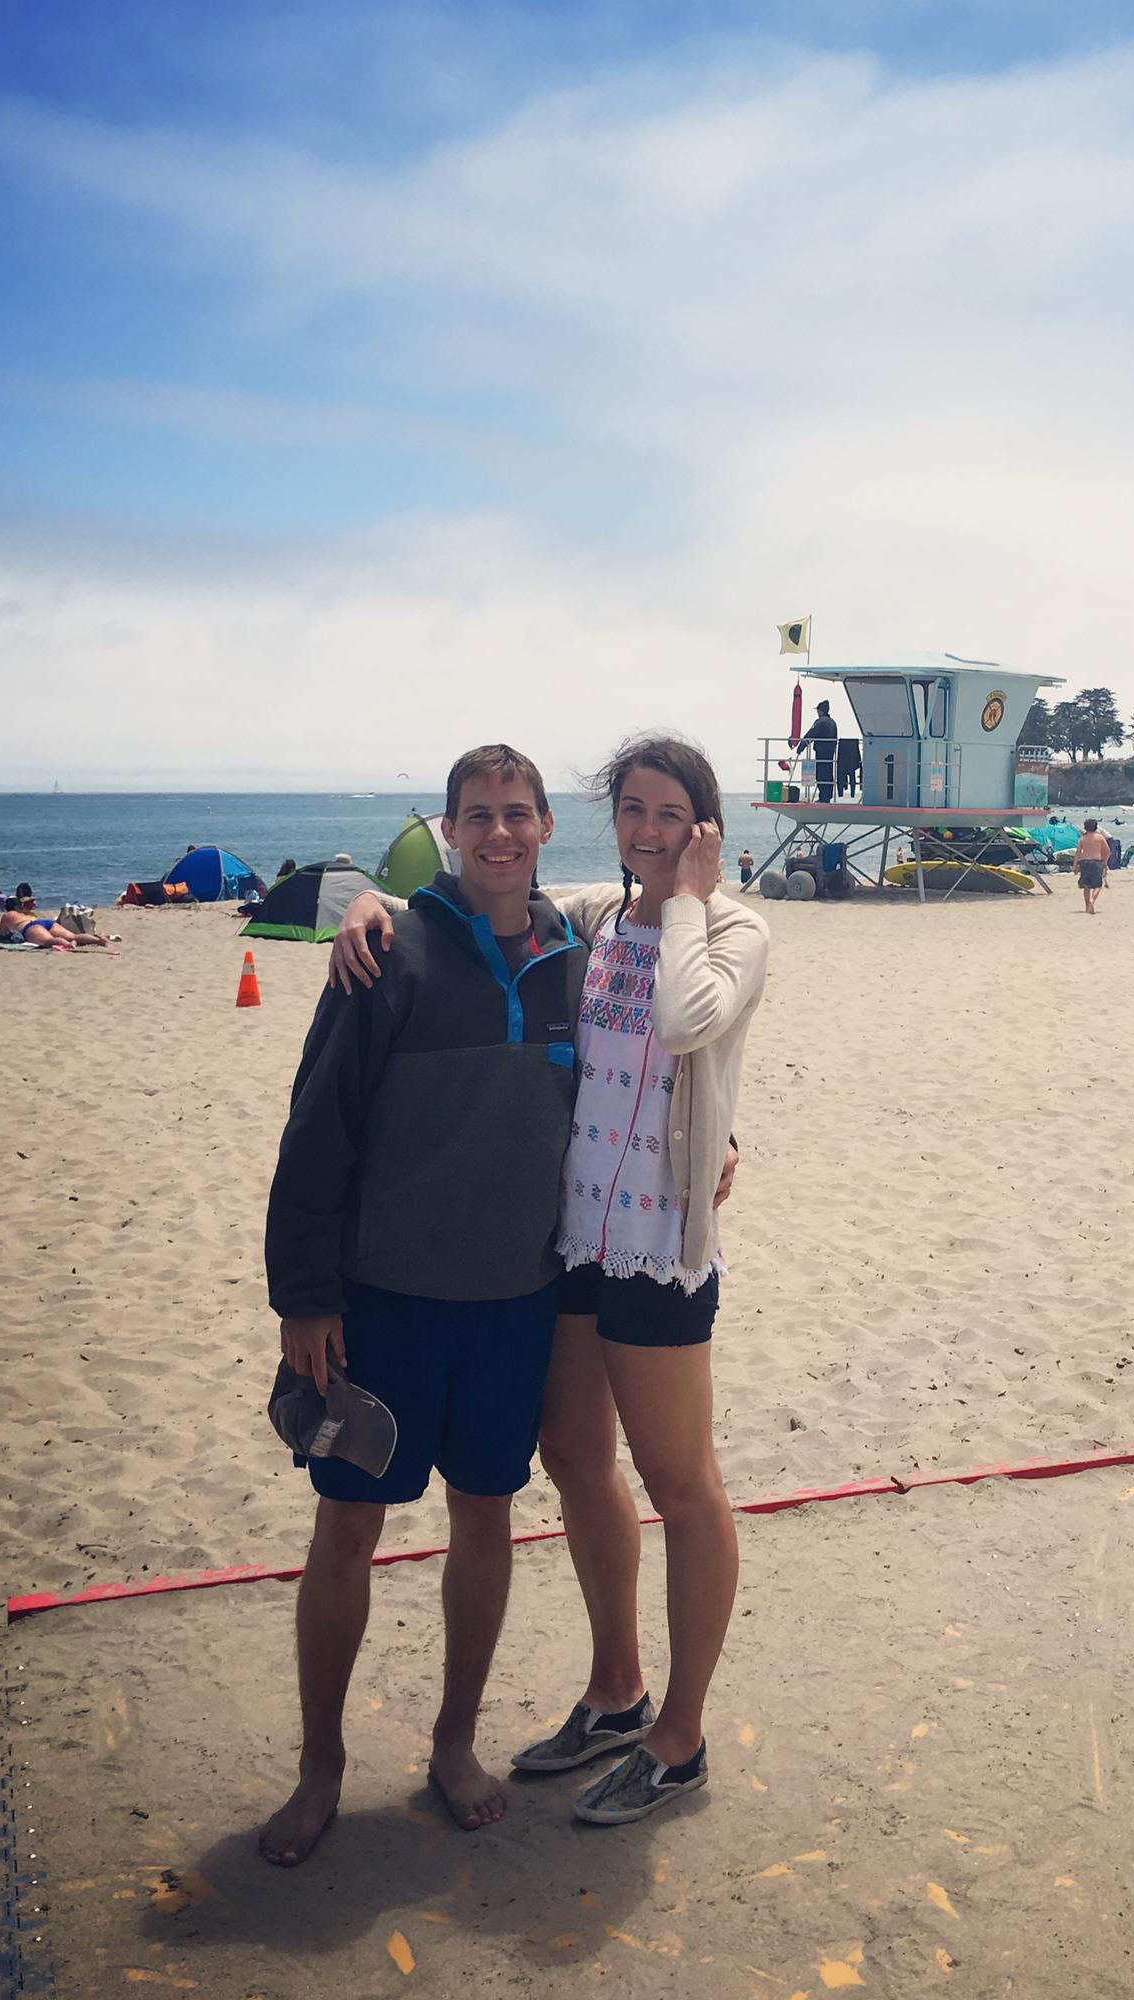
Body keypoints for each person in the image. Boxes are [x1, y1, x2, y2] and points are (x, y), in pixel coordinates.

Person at [331, 737, 766, 1829]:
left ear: (703, 827)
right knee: (574, 1458)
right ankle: (617, 1689)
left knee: (683, 1483)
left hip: (660, 1245)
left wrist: (687, 905)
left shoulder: (734, 929)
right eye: (632, 809)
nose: (649, 830)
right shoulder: (592, 915)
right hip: (570, 1234)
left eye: (672, 812)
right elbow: (484, 883)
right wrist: (367, 904)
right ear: (609, 821)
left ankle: (680, 1735)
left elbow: (683, 1022)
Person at [258, 744, 588, 1868]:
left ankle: (453, 1743)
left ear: (546, 825)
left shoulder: (572, 959)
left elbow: (641, 1079)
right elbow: (317, 1129)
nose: (498, 832)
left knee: (485, 1514)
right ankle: (321, 1767)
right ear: (449, 831)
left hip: (513, 1304)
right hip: (381, 1307)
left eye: (516, 813)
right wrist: (303, 1299)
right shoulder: (386, 952)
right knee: (346, 1524)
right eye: (476, 815)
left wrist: (720, 1139)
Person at [0, 888, 111, 948]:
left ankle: (69, 945)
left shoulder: (7, 915)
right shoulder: (27, 912)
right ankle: (99, 940)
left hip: (30, 928)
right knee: (73, 936)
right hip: (45, 922)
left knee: (49, 941)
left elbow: (2, 933)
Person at [799, 701, 838, 803]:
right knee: (828, 773)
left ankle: (823, 798)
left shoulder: (820, 722)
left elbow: (811, 734)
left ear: (820, 711)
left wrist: (802, 745)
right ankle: (827, 797)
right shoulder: (832, 722)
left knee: (821, 774)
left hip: (821, 752)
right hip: (830, 752)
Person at [1075, 818, 1111, 915]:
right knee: (1097, 885)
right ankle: (1092, 900)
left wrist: (1075, 866)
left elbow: (1077, 853)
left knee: (1086, 886)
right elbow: (1107, 851)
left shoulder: (1082, 839)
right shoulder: (1100, 838)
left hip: (1084, 862)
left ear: (1085, 828)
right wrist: (1105, 862)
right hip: (1096, 862)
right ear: (1096, 827)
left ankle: (1087, 906)